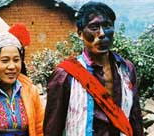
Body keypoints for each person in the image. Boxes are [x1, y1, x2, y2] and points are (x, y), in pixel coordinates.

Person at [43, 2, 144, 136]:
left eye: (107, 26)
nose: (102, 34)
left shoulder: (126, 69)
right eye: (94, 27)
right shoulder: (65, 74)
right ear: (80, 34)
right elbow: (53, 127)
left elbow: (135, 117)